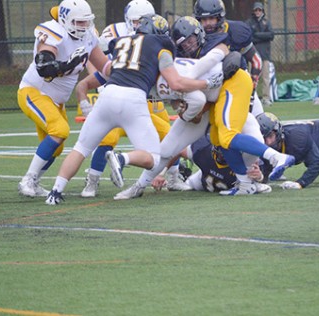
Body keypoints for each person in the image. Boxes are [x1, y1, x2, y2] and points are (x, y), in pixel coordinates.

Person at [45, 14, 223, 205]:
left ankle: (55, 192)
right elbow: (176, 83)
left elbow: (107, 71)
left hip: (107, 95)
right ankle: (121, 158)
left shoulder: (122, 42)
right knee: (154, 157)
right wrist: (205, 83)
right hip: (133, 99)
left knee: (81, 148)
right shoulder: (161, 46)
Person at [109, 16, 292, 199]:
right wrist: (182, 104)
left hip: (229, 89)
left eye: (191, 41)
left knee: (242, 136)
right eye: (183, 44)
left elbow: (212, 70)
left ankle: (266, 165)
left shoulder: (212, 43)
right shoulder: (167, 60)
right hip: (203, 103)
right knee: (169, 148)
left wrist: (191, 90)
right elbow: (179, 95)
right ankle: (138, 187)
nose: (188, 46)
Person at [75, 0, 189, 197]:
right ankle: (92, 181)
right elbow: (102, 65)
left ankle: (173, 176)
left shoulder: (155, 44)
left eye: (142, 20)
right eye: (136, 20)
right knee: (107, 138)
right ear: (129, 20)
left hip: (146, 99)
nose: (138, 25)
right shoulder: (116, 35)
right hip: (122, 95)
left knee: (169, 135)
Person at [17, 0, 110, 197]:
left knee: (56, 148)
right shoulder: (53, 32)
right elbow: (44, 67)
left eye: (86, 22)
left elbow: (104, 66)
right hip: (35, 92)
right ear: (66, 19)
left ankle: (34, 182)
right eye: (79, 22)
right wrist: (67, 64)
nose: (84, 26)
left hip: (56, 101)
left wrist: (126, 70)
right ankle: (28, 178)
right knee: (59, 130)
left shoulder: (88, 37)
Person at [193, 0, 265, 117]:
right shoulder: (194, 37)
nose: (208, 24)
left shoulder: (235, 31)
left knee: (258, 120)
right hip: (210, 88)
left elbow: (256, 60)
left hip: (239, 82)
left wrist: (251, 89)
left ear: (219, 17)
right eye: (204, 20)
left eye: (211, 19)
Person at [246, 2, 275, 107]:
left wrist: (257, 35)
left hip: (265, 54)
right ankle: (252, 96)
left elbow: (271, 35)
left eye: (259, 10)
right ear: (253, 11)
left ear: (262, 11)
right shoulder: (249, 22)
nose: (258, 12)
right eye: (256, 10)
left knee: (266, 78)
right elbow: (249, 37)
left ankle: (266, 98)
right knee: (252, 78)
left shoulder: (267, 22)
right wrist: (263, 36)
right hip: (253, 56)